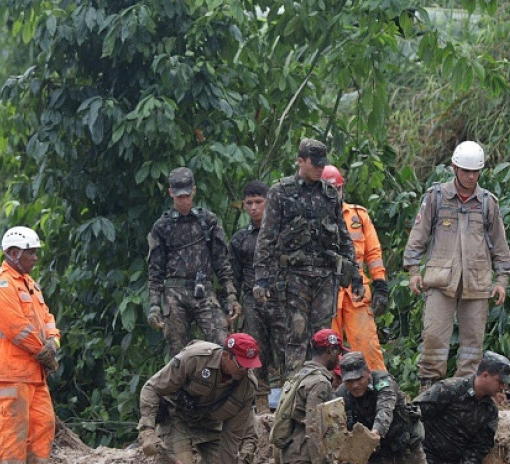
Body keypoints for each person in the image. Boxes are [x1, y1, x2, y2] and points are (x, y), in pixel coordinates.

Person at [403, 141, 510, 389]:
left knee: (473, 347)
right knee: (433, 340)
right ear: (454, 167)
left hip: (477, 285)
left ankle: (463, 396)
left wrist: (502, 281)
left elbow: (500, 245)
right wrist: (413, 271)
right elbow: (418, 236)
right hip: (440, 283)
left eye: (476, 172)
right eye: (466, 171)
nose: (471, 176)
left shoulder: (487, 203)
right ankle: (428, 395)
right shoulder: (436, 198)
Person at [253, 139, 364, 378]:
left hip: (324, 277)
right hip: (293, 278)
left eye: (322, 164)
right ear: (300, 161)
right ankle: (294, 392)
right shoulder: (281, 193)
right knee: (295, 336)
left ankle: (318, 389)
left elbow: (344, 237)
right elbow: (266, 238)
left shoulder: (330, 195)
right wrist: (261, 279)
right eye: (314, 164)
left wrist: (355, 275)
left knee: (323, 339)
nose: (319, 169)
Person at [137, 333, 261, 464]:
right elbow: (152, 388)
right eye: (242, 364)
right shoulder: (195, 358)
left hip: (211, 425)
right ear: (227, 356)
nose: (246, 369)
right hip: (176, 418)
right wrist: (148, 430)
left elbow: (232, 437)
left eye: (250, 364)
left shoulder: (247, 386)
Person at [0, 226, 59, 464]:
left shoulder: (30, 285)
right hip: (8, 370)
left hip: (32, 372)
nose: (35, 257)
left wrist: (53, 342)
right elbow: (16, 327)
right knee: (13, 427)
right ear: (14, 253)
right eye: (30, 252)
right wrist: (44, 351)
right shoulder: (0, 285)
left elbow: (47, 317)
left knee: (43, 424)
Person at [147, 167, 241, 358]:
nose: (184, 201)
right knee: (178, 355)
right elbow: (155, 271)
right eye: (179, 196)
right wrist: (155, 306)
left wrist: (230, 296)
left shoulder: (208, 221)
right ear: (171, 193)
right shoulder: (162, 226)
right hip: (175, 293)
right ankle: (180, 388)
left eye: (187, 195)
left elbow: (222, 263)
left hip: (203, 291)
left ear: (194, 191)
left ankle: (224, 386)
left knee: (223, 345)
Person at [336, 352, 436, 464]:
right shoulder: (341, 395)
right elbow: (335, 424)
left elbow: (385, 410)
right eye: (349, 381)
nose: (354, 385)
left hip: (406, 449)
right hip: (377, 456)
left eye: (359, 379)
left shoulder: (384, 382)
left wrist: (374, 434)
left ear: (368, 373)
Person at [415, 351, 510, 464]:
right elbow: (414, 414)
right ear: (485, 376)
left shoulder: (490, 411)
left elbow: (479, 446)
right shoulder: (449, 390)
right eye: (500, 381)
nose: (503, 387)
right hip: (428, 462)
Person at [275, 329, 345, 464]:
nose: (338, 358)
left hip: (295, 452)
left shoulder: (300, 376)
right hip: (307, 458)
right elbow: (315, 429)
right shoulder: (320, 383)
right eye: (338, 352)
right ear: (330, 350)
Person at [321, 165, 389, 371]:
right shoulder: (311, 219)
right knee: (327, 350)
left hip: (356, 292)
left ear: (343, 189)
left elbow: (373, 254)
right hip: (324, 293)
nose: (334, 196)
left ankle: (380, 389)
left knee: (367, 347)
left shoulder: (358, 216)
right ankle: (329, 393)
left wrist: (380, 286)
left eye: (337, 190)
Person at [230, 180, 287, 412]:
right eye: (249, 203)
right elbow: (233, 275)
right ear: (243, 205)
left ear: (268, 203)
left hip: (281, 298)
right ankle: (261, 405)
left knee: (285, 350)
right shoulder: (240, 239)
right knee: (256, 352)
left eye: (259, 202)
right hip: (252, 301)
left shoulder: (282, 233)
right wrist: (232, 302)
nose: (254, 207)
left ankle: (288, 403)